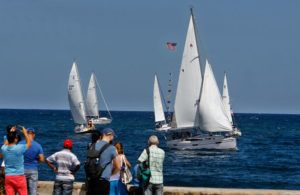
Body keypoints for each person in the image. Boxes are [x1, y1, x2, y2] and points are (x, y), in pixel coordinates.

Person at [87, 128, 120, 195]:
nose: (113, 138)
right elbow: (118, 167)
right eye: (113, 136)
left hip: (91, 180)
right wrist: (111, 174)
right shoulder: (112, 148)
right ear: (109, 135)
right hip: (103, 182)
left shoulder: (91, 145)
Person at [1, 127, 31, 195]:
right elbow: (29, 144)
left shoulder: (3, 148)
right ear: (15, 139)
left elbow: (6, 142)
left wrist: (10, 133)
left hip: (8, 176)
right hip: (19, 176)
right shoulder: (19, 147)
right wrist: (25, 133)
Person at [19, 127, 44, 195]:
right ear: (34, 135)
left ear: (25, 134)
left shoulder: (20, 144)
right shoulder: (38, 145)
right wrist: (35, 160)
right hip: (33, 170)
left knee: (20, 190)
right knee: (33, 191)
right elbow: (42, 159)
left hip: (21, 169)